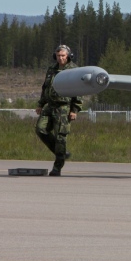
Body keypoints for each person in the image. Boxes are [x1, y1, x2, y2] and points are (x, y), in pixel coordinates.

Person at [35, 45, 83, 176]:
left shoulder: (74, 70)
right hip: (50, 105)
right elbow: (45, 87)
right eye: (58, 56)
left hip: (63, 107)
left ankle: (57, 167)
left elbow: (79, 91)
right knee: (40, 129)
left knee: (61, 137)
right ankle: (60, 152)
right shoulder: (52, 69)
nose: (60, 58)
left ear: (68, 56)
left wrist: (74, 110)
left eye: (62, 55)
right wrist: (40, 104)